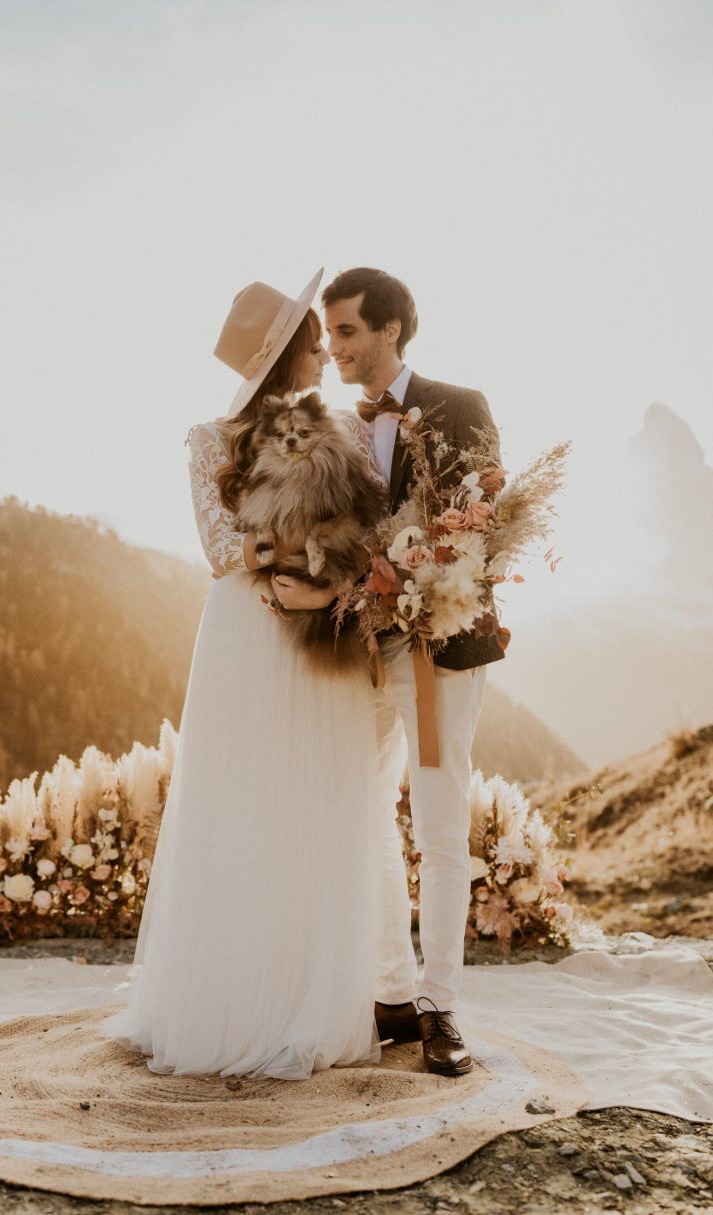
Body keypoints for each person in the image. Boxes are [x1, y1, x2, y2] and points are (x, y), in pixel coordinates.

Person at [102, 270, 384, 1079]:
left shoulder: (342, 432)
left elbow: (365, 534)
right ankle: (232, 1003)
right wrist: (287, 562)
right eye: (311, 342)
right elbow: (221, 551)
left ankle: (306, 996)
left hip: (316, 632)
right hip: (248, 631)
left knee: (316, 802)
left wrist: (326, 583)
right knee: (243, 803)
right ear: (281, 355)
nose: (325, 356)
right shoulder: (209, 439)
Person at [323, 267, 505, 1077]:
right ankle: (391, 989)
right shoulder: (337, 425)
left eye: (348, 332)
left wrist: (424, 582)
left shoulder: (461, 405)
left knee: (437, 827)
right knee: (361, 814)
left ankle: (439, 1007)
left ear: (391, 329)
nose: (334, 349)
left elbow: (482, 530)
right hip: (357, 653)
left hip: (440, 648)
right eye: (329, 334)